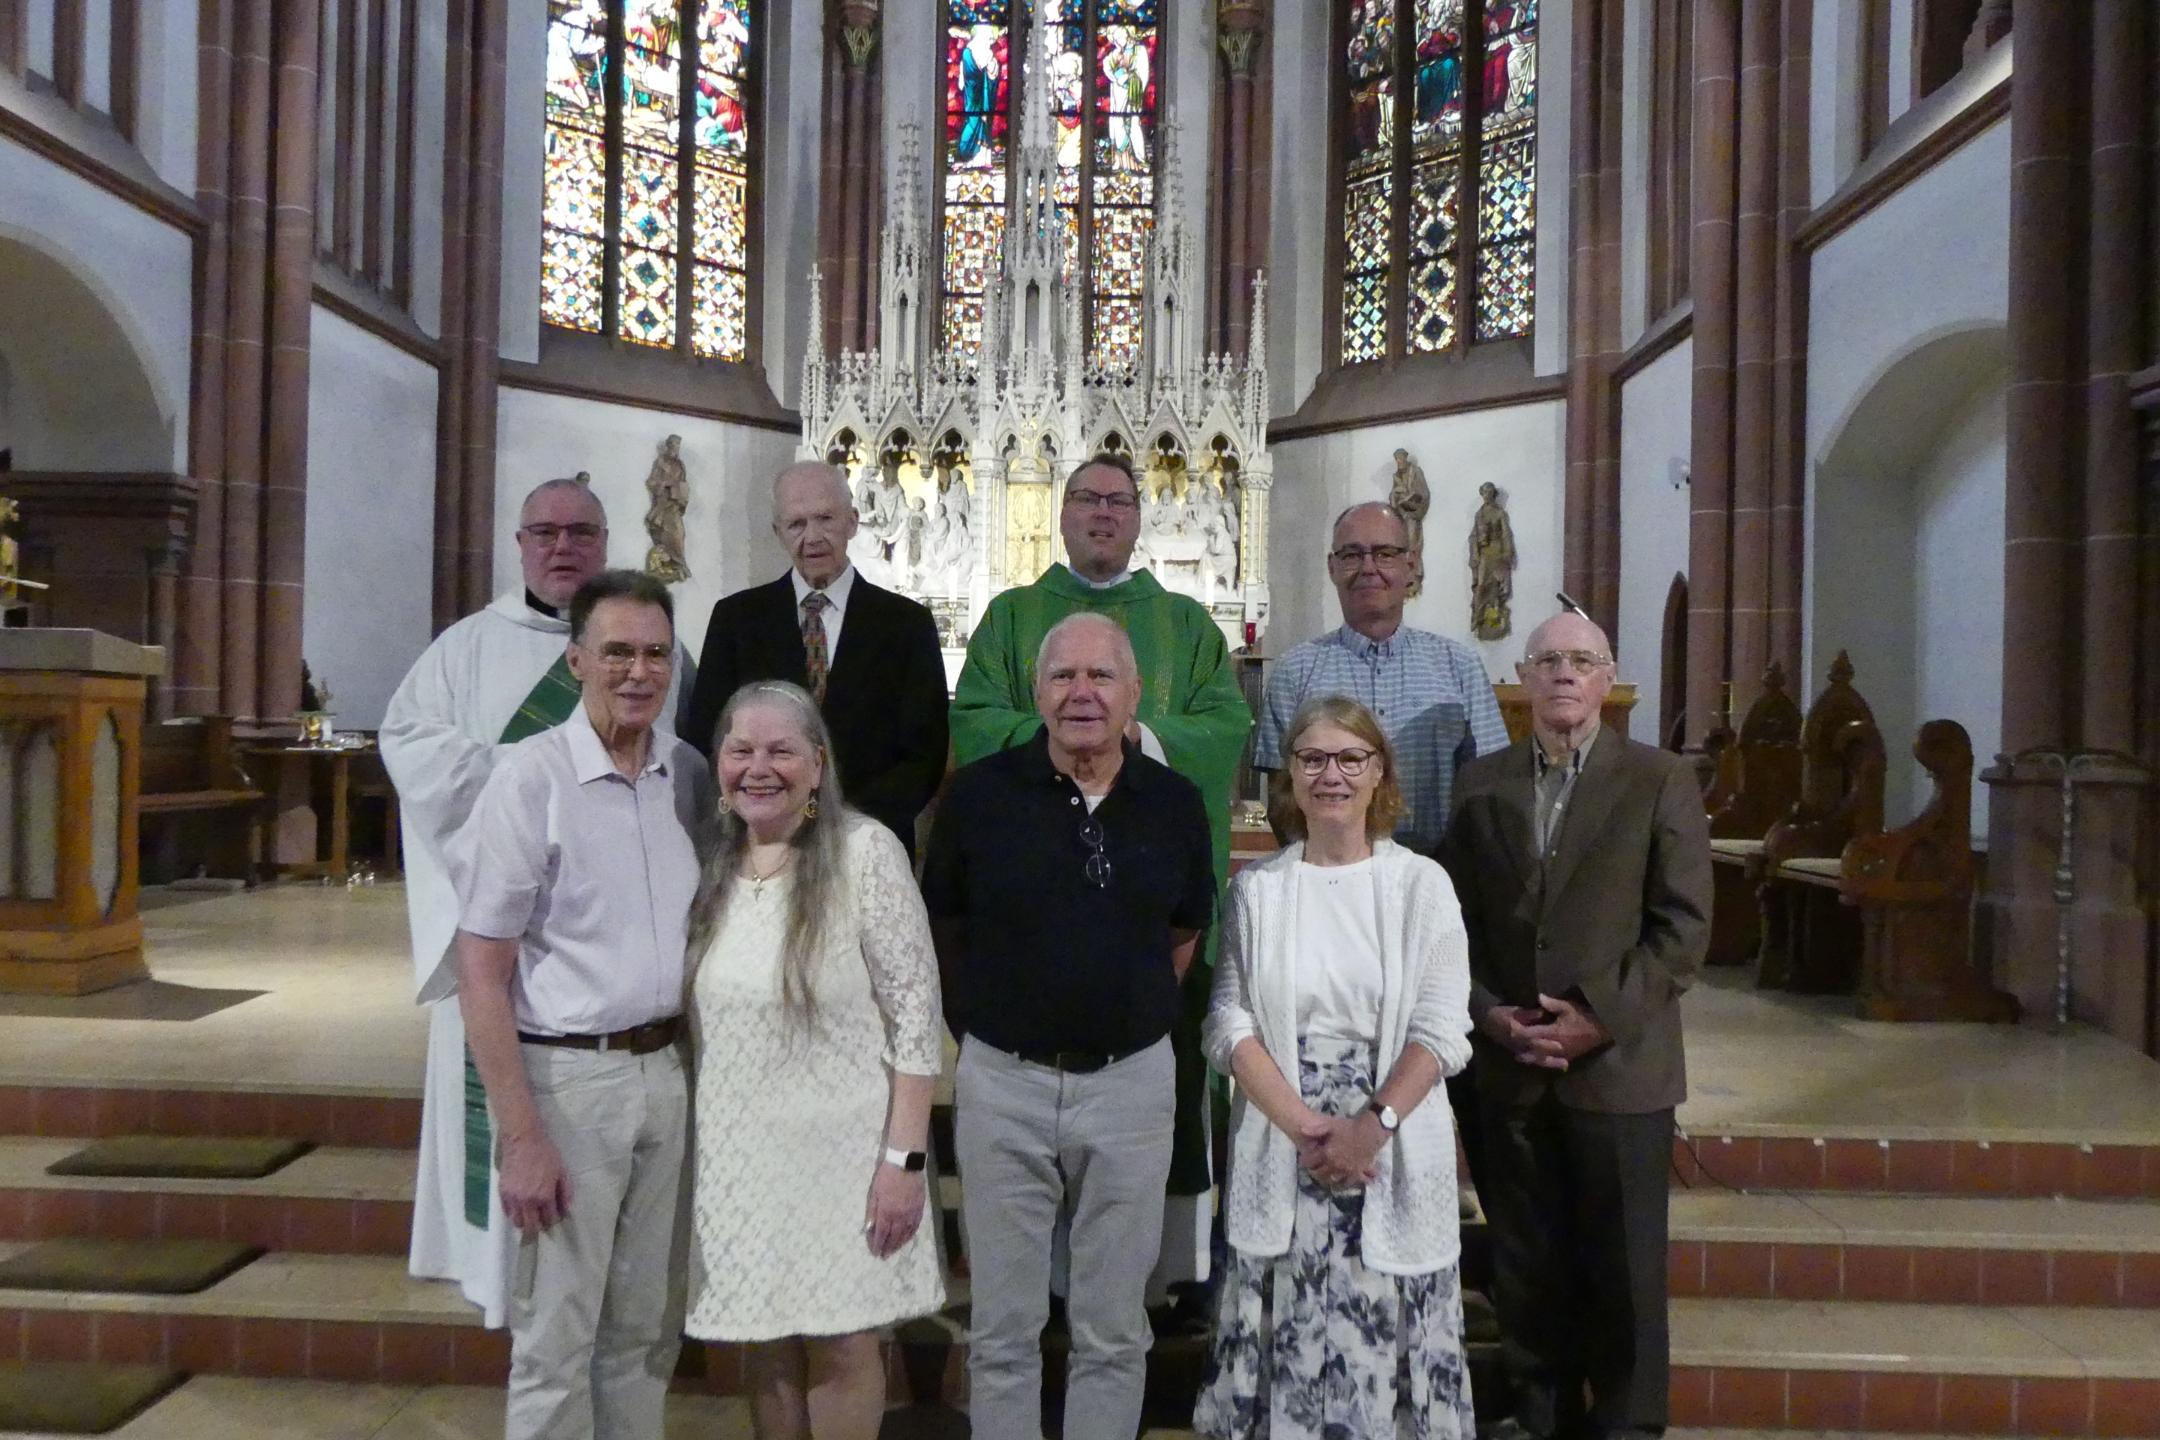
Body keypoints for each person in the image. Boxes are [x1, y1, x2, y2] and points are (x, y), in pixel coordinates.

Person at [381, 478, 689, 1329]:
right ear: (519, 543)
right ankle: (491, 1273)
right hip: (507, 947)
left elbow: (683, 774)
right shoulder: (464, 649)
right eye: (546, 532)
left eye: (583, 532)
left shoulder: (663, 648)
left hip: (614, 967)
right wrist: (531, 779)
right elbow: (411, 749)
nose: (564, 547)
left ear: (606, 539)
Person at [950, 451, 1252, 1290]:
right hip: (1028, 943)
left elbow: (1227, 727)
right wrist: (1070, 744)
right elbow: (972, 722)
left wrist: (1134, 747)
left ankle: (1168, 1274)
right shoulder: (1013, 617)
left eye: (1119, 500)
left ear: (1139, 516)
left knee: (1172, 1070)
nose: (1103, 513)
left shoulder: (1187, 622)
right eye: (1086, 498)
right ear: (1060, 511)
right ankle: (1038, 1282)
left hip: (1143, 927)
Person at [924, 612, 1218, 1440]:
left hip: (1128, 1086)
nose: (1081, 693)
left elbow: (1185, 931)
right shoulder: (979, 795)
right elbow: (943, 922)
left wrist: (1121, 1008)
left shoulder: (1175, 803)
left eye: (1100, 677)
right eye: (1063, 677)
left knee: (1113, 1329)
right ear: (1036, 692)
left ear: (1133, 695)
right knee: (1004, 1327)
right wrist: (985, 1023)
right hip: (1004, 1082)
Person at [1441, 609, 1712, 1440]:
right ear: (1522, 681)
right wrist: (1489, 1016)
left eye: (1582, 660)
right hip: (1511, 1064)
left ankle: (1627, 1424)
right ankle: (1539, 1412)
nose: (1564, 673)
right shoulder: (1480, 782)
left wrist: (1595, 1017)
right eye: (1548, 660)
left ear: (1608, 678)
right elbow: (1452, 920)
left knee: (1625, 1268)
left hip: (1619, 1068)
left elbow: (1684, 926)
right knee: (1527, 1263)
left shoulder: (1659, 778)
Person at [455, 569, 712, 1439]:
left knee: (645, 1333)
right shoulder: (531, 780)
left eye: (654, 654)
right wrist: (521, 1136)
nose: (638, 672)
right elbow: (481, 971)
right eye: (616, 653)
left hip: (669, 1076)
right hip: (570, 1083)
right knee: (556, 1341)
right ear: (576, 662)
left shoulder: (690, 775)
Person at [1196, 695, 1477, 1439]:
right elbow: (1228, 1023)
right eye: (1313, 759)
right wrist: (1305, 1126)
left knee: (1384, 1352)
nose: (1332, 775)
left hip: (1391, 1142)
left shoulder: (1422, 885)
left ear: (1378, 771)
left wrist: (1371, 1127)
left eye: (1350, 758)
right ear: (1289, 774)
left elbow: (1445, 1029)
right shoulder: (1260, 890)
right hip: (1288, 1139)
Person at [683, 680, 945, 1439]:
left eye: (780, 751)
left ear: (818, 765)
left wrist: (904, 1159)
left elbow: (916, 1019)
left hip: (846, 1153)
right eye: (741, 750)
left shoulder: (866, 854)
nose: (758, 768)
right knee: (763, 1341)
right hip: (740, 1154)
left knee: (840, 1337)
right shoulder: (709, 866)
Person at [684, 461, 949, 857]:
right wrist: (763, 817)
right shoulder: (736, 619)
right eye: (796, 524)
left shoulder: (906, 624)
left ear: (853, 522)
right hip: (759, 843)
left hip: (867, 845)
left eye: (825, 519)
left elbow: (924, 754)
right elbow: (707, 736)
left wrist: (842, 826)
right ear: (778, 533)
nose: (812, 537)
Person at [1257, 501, 1510, 858]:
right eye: (1352, 555)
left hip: (1440, 872)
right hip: (1328, 877)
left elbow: (1490, 785)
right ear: (1332, 567)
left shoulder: (1459, 666)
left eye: (1385, 554)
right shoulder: (1294, 671)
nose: (1368, 568)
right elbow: (1282, 798)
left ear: (1411, 565)